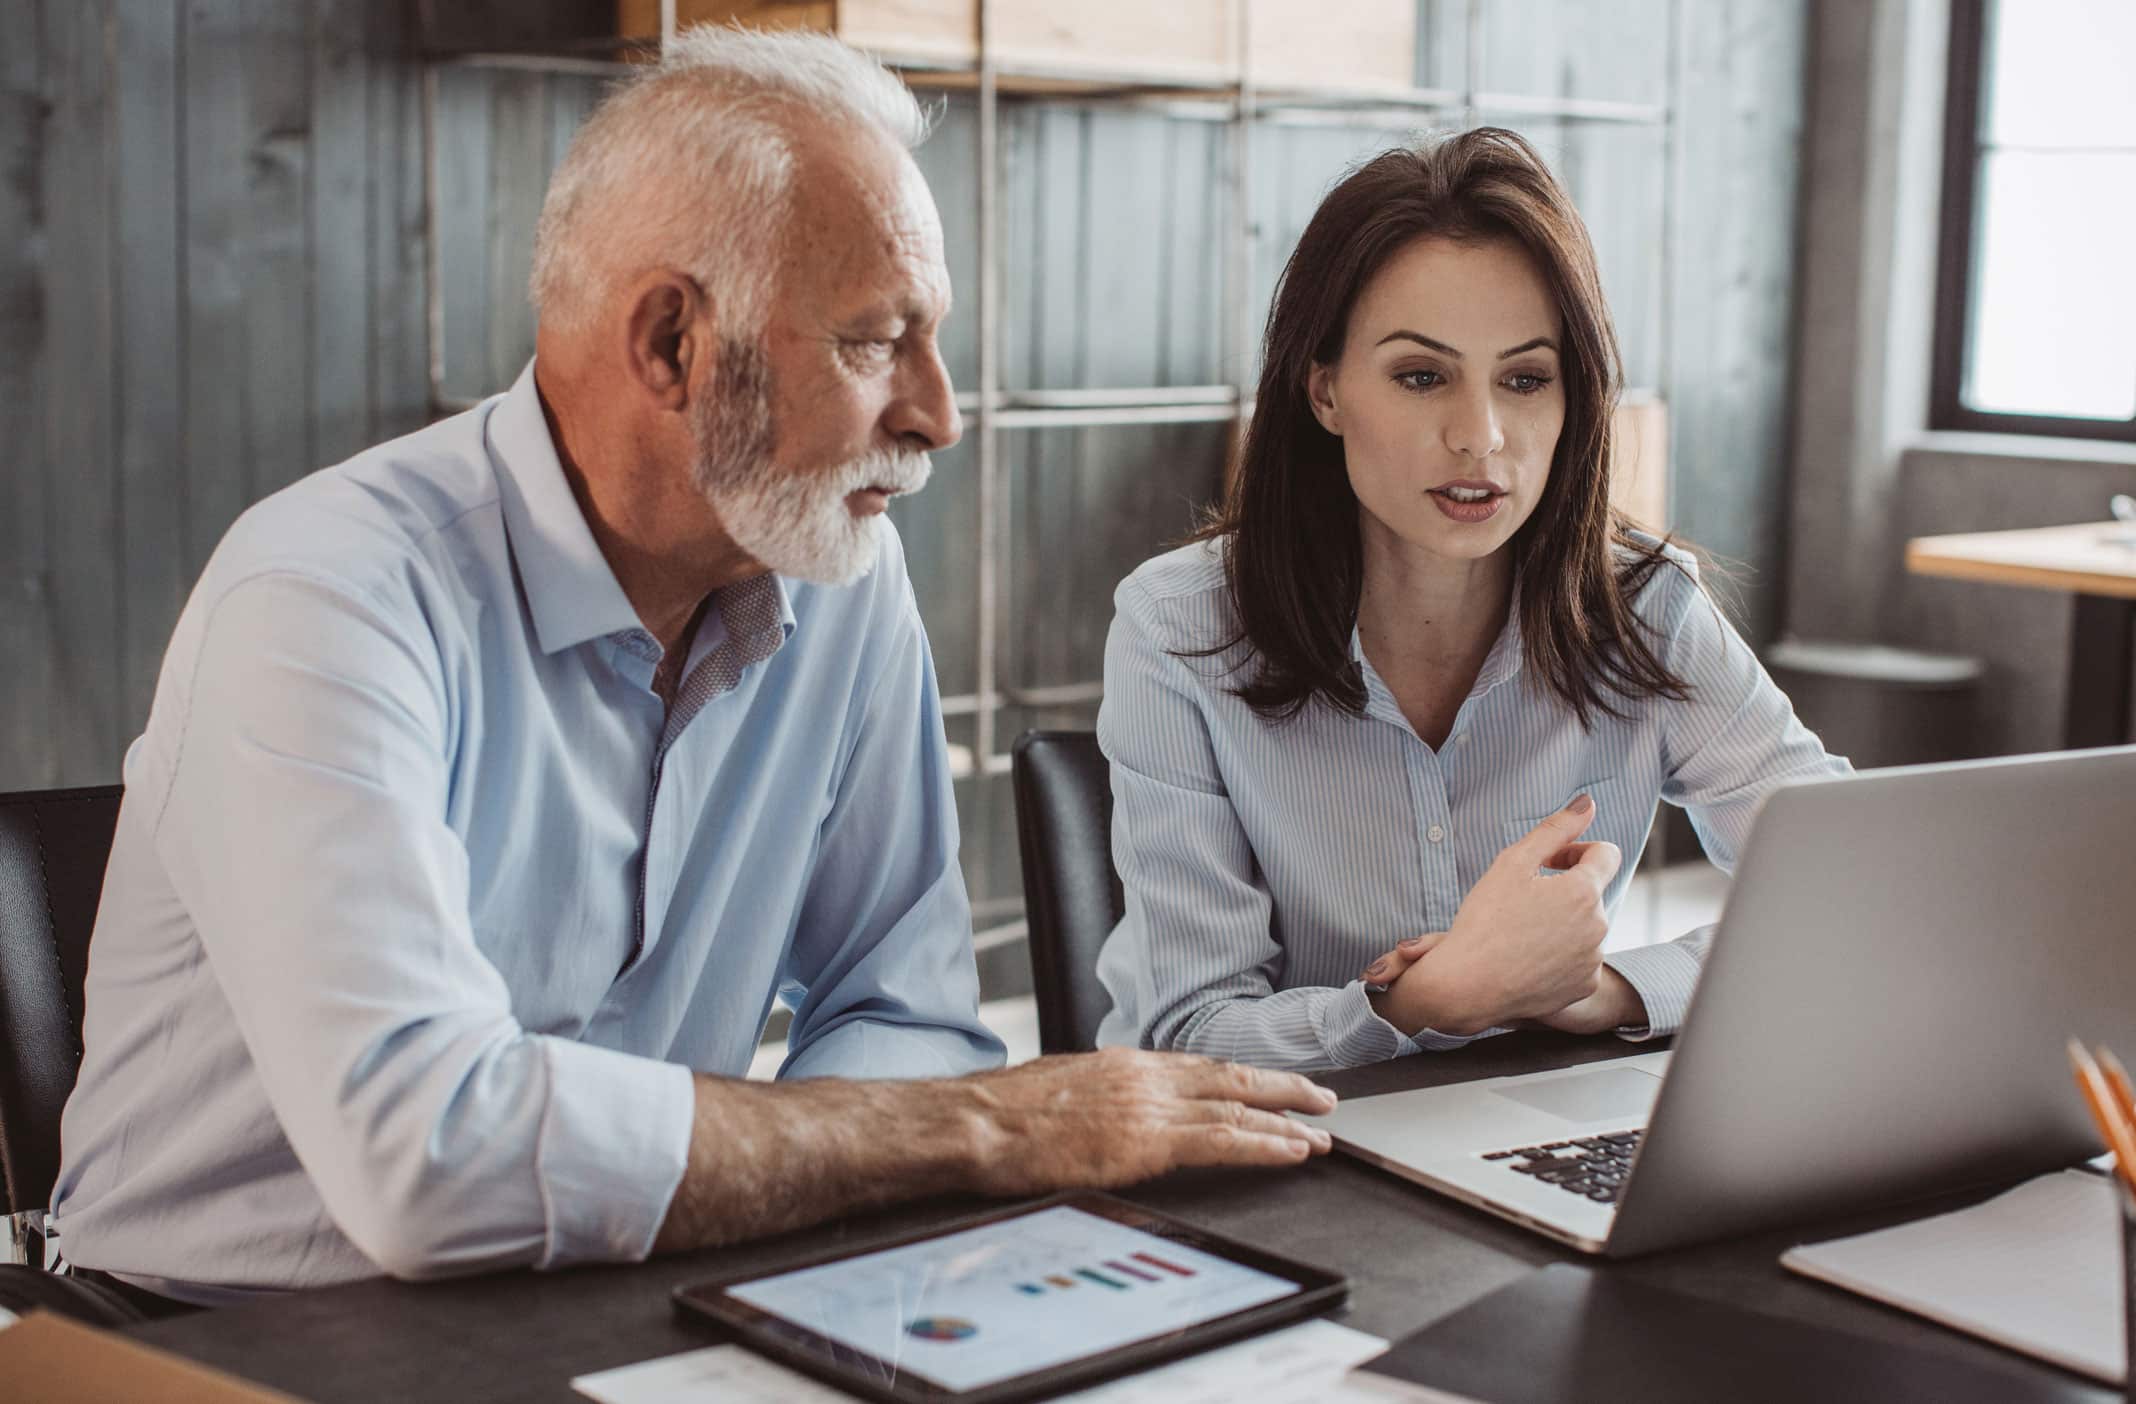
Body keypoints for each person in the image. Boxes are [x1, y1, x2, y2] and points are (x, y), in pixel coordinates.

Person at [47, 28, 1334, 1312]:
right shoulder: (322, 595)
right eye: (877, 341)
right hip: (207, 1342)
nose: (939, 413)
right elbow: (426, 1156)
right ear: (671, 343)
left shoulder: (844, 571)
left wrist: (877, 1149)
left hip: (626, 1292)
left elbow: (906, 1009)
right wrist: (985, 1127)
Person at [1094, 129, 1849, 1073]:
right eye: (1421, 377)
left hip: (1523, 1123)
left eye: (1526, 380)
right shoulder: (1181, 625)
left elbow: (1851, 896)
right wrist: (1428, 1001)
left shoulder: (1644, 606)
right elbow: (1189, 1037)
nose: (1481, 438)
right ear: (1324, 389)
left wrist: (1607, 990)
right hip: (1282, 1157)